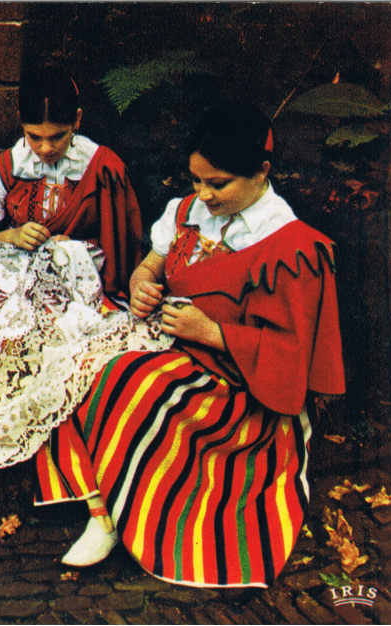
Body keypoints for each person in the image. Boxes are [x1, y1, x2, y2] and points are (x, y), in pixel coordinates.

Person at [33, 102, 345, 587]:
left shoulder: (290, 247)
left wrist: (212, 333)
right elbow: (152, 264)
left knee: (129, 382)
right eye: (196, 180)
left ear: (262, 171)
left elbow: (292, 354)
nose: (203, 194)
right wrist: (141, 281)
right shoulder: (186, 212)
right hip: (172, 340)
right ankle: (100, 503)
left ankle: (118, 512)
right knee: (74, 356)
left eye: (217, 183)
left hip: (237, 381)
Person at [0, 66, 142, 295]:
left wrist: (74, 250)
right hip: (19, 279)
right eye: (34, 137)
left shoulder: (101, 168)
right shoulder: (9, 167)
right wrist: (11, 236)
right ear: (21, 122)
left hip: (82, 283)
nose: (46, 148)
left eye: (58, 136)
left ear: (77, 120)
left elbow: (120, 250)